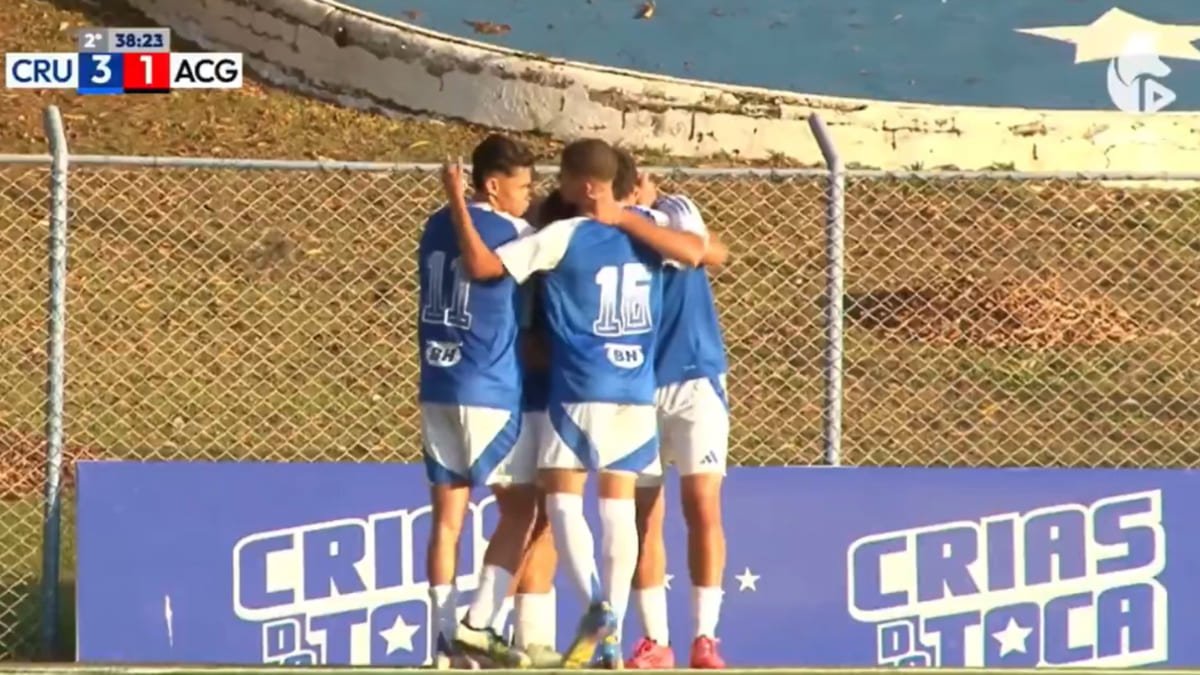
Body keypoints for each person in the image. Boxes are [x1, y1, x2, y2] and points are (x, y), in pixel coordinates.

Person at [441, 138, 709, 669]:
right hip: (636, 391)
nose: (554, 189)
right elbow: (698, 253)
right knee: (617, 508)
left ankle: (598, 607)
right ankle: (609, 632)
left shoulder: (565, 235)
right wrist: (633, 218)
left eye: (563, 180)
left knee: (562, 500)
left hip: (581, 387)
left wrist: (456, 203)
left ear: (584, 186)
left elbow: (487, 268)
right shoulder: (650, 233)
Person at [418, 133, 540, 669]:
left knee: (447, 516)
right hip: (488, 389)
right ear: (494, 185)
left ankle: (443, 643)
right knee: (522, 510)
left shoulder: (433, 223)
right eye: (523, 186)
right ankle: (478, 623)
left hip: (437, 384)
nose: (529, 197)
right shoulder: (514, 232)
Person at [622, 170, 732, 669]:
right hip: (636, 384)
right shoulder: (598, 231)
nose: (649, 181)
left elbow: (697, 249)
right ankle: (655, 640)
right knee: (643, 515)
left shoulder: (675, 208)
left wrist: (632, 210)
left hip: (695, 378)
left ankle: (705, 637)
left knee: (701, 502)